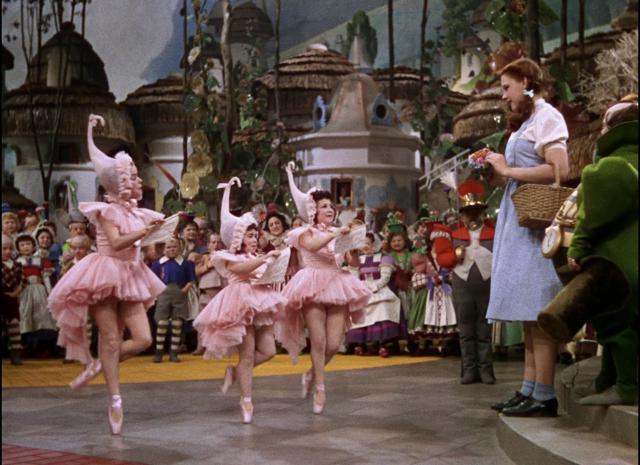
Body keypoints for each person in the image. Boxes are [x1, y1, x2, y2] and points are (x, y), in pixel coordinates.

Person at [47, 114, 166, 435]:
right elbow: (116, 242)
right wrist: (144, 232)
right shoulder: (105, 211)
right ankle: (115, 399)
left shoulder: (139, 213)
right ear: (118, 182)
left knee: (143, 338)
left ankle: (100, 364)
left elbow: (147, 252)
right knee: (111, 338)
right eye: (131, 176)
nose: (136, 180)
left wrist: (159, 239)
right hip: (104, 273)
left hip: (131, 274)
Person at [538, 97, 638, 406]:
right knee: (628, 322)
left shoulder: (610, 167)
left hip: (615, 264)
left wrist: (578, 248)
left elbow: (591, 217)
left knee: (615, 324)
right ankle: (607, 379)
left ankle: (627, 387)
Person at [484, 58, 569, 417]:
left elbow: (559, 168)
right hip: (518, 220)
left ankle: (545, 394)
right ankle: (529, 388)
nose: (504, 95)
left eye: (507, 87)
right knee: (526, 311)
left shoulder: (547, 115)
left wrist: (509, 169)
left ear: (526, 83)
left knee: (538, 309)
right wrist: (496, 169)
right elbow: (516, 172)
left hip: (535, 226)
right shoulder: (527, 122)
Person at [275, 162, 371, 414]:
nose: (330, 209)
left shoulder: (338, 231)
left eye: (331, 206)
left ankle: (311, 373)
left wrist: (353, 247)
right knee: (318, 341)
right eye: (324, 206)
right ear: (313, 211)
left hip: (337, 283)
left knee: (333, 344)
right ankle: (320, 387)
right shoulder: (304, 232)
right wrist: (337, 234)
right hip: (312, 285)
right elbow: (313, 246)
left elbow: (352, 262)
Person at [193, 178, 287, 424]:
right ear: (238, 238)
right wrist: (264, 259)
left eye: (256, 235)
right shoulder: (229, 256)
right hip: (240, 302)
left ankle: (234, 372)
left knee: (268, 351)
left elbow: (261, 273)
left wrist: (274, 267)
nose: (254, 239)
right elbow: (242, 269)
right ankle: (246, 399)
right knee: (247, 355)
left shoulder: (257, 256)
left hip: (260, 300)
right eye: (250, 236)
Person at [450, 180, 496, 384]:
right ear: (462, 215)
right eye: (468, 212)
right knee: (466, 331)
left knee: (484, 331)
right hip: (462, 288)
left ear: (483, 213)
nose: (473, 216)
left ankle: (486, 370)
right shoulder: (454, 235)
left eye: (476, 211)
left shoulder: (494, 234)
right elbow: (444, 258)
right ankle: (469, 370)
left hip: (486, 287)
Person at [345, 233, 402, 357]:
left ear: (374, 244)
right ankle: (360, 344)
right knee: (358, 307)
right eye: (362, 243)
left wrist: (375, 287)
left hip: (379, 288)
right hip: (362, 289)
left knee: (382, 306)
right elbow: (354, 277)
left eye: (367, 243)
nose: (365, 246)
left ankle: (383, 343)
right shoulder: (358, 260)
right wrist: (362, 289)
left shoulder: (384, 257)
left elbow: (385, 277)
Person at [150, 237, 197, 363]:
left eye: (174, 247)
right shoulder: (157, 264)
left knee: (177, 324)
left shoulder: (186, 263)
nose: (171, 249)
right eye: (168, 247)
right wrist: (157, 293)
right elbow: (153, 280)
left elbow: (191, 280)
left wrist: (184, 291)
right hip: (163, 295)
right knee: (162, 323)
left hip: (179, 295)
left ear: (180, 248)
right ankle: (159, 352)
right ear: (163, 249)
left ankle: (174, 353)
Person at [192, 232, 225, 355]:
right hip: (205, 292)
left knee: (219, 321)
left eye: (219, 242)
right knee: (202, 321)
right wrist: (208, 266)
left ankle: (217, 347)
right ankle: (201, 346)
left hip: (221, 292)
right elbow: (195, 272)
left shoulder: (227, 257)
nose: (216, 245)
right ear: (208, 245)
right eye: (213, 242)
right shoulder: (203, 257)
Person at [2, 234, 24, 365]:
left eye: (10, 248)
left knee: (14, 325)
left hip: (12, 299)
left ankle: (16, 352)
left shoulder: (17, 265)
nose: (8, 251)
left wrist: (17, 292)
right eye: (4, 249)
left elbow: (22, 281)